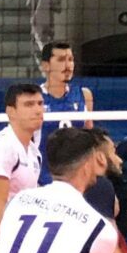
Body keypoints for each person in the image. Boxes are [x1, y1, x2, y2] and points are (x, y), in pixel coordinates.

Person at [0, 83, 46, 253]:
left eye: (40, 103)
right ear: (11, 112)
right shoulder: (3, 146)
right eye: (29, 104)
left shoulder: (34, 152)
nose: (37, 110)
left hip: (10, 238)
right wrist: (18, 245)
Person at [37, 41, 94, 184]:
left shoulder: (84, 95)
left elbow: (89, 135)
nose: (68, 65)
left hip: (77, 181)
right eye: (61, 60)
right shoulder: (35, 98)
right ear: (46, 66)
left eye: (70, 59)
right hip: (43, 180)